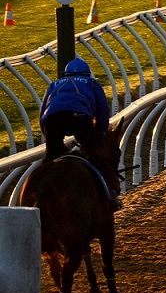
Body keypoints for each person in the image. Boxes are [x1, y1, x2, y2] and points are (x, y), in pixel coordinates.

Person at [39, 56, 116, 204]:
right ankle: (109, 197)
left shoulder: (54, 84)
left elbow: (43, 113)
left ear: (65, 74)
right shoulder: (92, 83)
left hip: (53, 119)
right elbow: (103, 112)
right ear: (87, 74)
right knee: (97, 158)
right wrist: (99, 138)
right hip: (79, 117)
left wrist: (49, 138)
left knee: (50, 160)